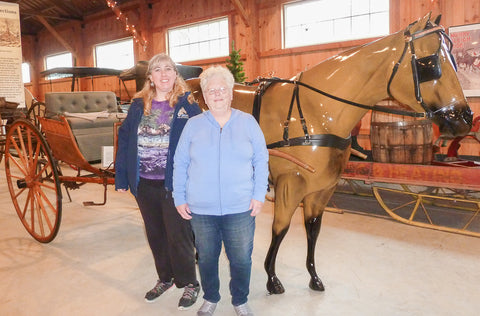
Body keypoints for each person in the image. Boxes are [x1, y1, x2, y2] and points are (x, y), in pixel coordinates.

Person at [173, 66, 269, 316]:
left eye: (222, 89)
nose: (217, 94)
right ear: (204, 95)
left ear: (231, 94)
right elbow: (180, 162)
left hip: (240, 207)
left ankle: (240, 299)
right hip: (201, 209)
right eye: (211, 90)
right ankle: (211, 297)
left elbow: (261, 160)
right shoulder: (193, 125)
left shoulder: (248, 123)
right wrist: (179, 197)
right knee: (206, 258)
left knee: (241, 259)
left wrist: (259, 194)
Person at [115, 53, 201, 310]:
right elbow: (126, 139)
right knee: (155, 234)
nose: (163, 74)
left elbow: (200, 142)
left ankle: (189, 283)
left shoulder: (188, 105)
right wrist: (122, 176)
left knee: (179, 235)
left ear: (176, 75)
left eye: (168, 69)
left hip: (173, 184)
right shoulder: (139, 104)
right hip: (144, 183)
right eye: (157, 70)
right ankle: (166, 278)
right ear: (150, 77)